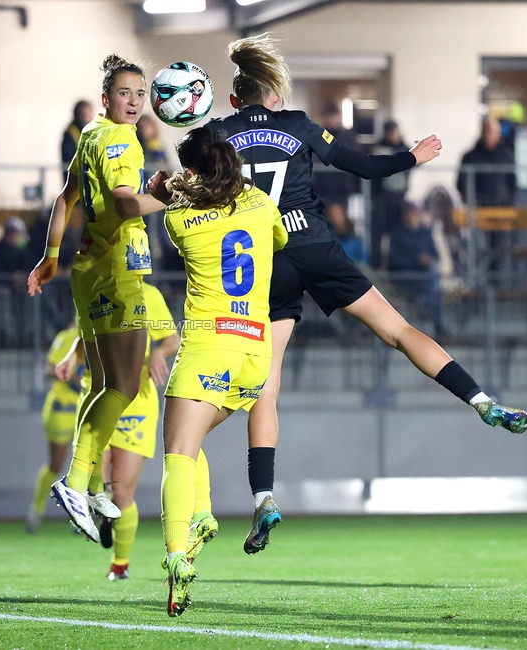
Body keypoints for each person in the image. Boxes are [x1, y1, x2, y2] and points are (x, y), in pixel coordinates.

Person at [208, 34, 527, 555]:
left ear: (232, 98)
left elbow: (194, 193)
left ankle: (264, 496)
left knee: (266, 388)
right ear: (274, 95)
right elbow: (363, 167)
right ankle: (483, 401)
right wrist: (412, 157)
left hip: (260, 261)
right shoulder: (297, 125)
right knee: (400, 331)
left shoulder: (217, 132)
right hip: (310, 241)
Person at [147, 126, 287, 616]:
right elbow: (280, 236)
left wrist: (164, 189)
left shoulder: (179, 219)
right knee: (195, 435)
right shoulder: (261, 203)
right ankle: (201, 515)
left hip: (208, 343)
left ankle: (176, 558)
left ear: (191, 169)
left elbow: (173, 201)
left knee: (177, 456)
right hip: (254, 350)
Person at [28, 54, 167, 542]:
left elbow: (65, 197)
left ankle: (82, 483)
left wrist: (50, 255)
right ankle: (76, 480)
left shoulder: (89, 134)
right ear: (106, 99)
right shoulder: (120, 139)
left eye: (139, 93)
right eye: (124, 93)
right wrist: (176, 196)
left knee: (103, 382)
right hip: (116, 271)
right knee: (126, 385)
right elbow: (129, 201)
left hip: (89, 270)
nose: (133, 102)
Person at [48, 282, 182, 580]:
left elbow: (172, 339)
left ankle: (120, 563)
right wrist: (72, 355)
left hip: (136, 402)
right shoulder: (97, 282)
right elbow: (87, 331)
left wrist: (159, 352)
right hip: (96, 392)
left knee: (121, 492)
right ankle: (94, 504)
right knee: (98, 483)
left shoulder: (149, 295)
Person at [26, 322, 82, 533]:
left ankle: (79, 516)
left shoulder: (102, 339)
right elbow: (49, 369)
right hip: (62, 407)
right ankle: (36, 510)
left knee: (87, 465)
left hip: (86, 409)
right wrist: (71, 377)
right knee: (56, 464)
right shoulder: (67, 337)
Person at [387, 203, 444, 337]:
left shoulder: (425, 233)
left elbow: (435, 255)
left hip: (425, 277)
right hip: (405, 277)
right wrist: (416, 261)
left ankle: (436, 324)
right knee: (433, 284)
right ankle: (433, 322)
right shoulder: (397, 235)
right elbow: (394, 260)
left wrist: (427, 260)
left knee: (433, 276)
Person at [370, 120, 411, 269]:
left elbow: (413, 160)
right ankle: (376, 267)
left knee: (398, 234)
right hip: (382, 197)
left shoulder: (403, 148)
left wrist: (403, 143)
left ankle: (396, 267)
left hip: (399, 198)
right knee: (378, 236)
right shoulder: (380, 148)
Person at [0, 216, 30, 345]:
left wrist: (23, 277)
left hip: (21, 287)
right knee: (3, 297)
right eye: (13, 233)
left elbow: (29, 265)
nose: (15, 236)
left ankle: (28, 334)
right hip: (2, 287)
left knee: (33, 296)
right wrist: (11, 280)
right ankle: (7, 334)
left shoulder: (23, 249)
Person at [456, 118, 516, 208]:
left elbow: (512, 183)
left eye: (494, 132)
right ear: (482, 133)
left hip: (502, 209)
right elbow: (462, 184)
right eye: (488, 132)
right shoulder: (471, 158)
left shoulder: (506, 157)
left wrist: (509, 201)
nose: (491, 136)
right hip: (478, 209)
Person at [62, 100, 95, 183]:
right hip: (75, 179)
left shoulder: (93, 131)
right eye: (84, 114)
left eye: (89, 114)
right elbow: (69, 159)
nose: (87, 118)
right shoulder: (70, 133)